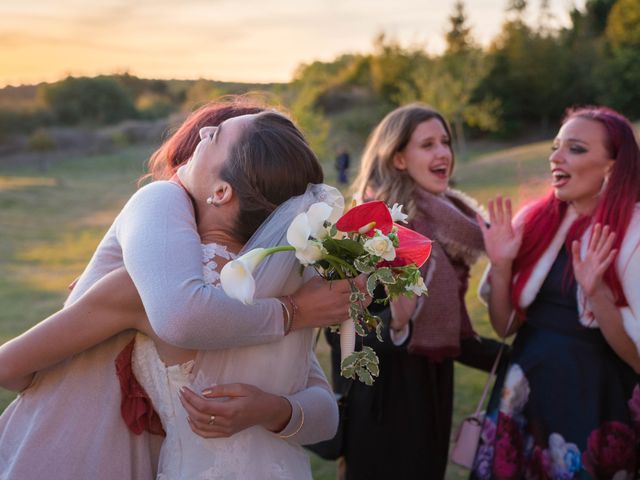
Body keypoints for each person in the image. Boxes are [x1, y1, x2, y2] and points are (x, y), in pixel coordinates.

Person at [0, 102, 355, 479]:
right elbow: (325, 414)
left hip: (76, 451)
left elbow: (9, 366)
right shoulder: (286, 291)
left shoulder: (151, 278)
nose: (204, 132)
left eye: (215, 136)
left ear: (221, 191)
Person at [328, 104, 501, 480]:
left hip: (433, 391)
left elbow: (451, 334)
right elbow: (336, 331)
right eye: (428, 144)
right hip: (381, 404)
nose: (443, 153)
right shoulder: (369, 226)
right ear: (399, 158)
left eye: (445, 142)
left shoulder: (450, 221)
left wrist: (526, 358)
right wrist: (397, 323)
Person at [471, 106, 640, 479]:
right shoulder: (535, 221)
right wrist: (501, 266)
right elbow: (505, 327)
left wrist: (596, 293)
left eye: (575, 148)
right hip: (524, 392)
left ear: (612, 166)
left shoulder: (634, 236)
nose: (555, 157)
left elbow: (637, 357)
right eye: (555, 146)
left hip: (593, 401)